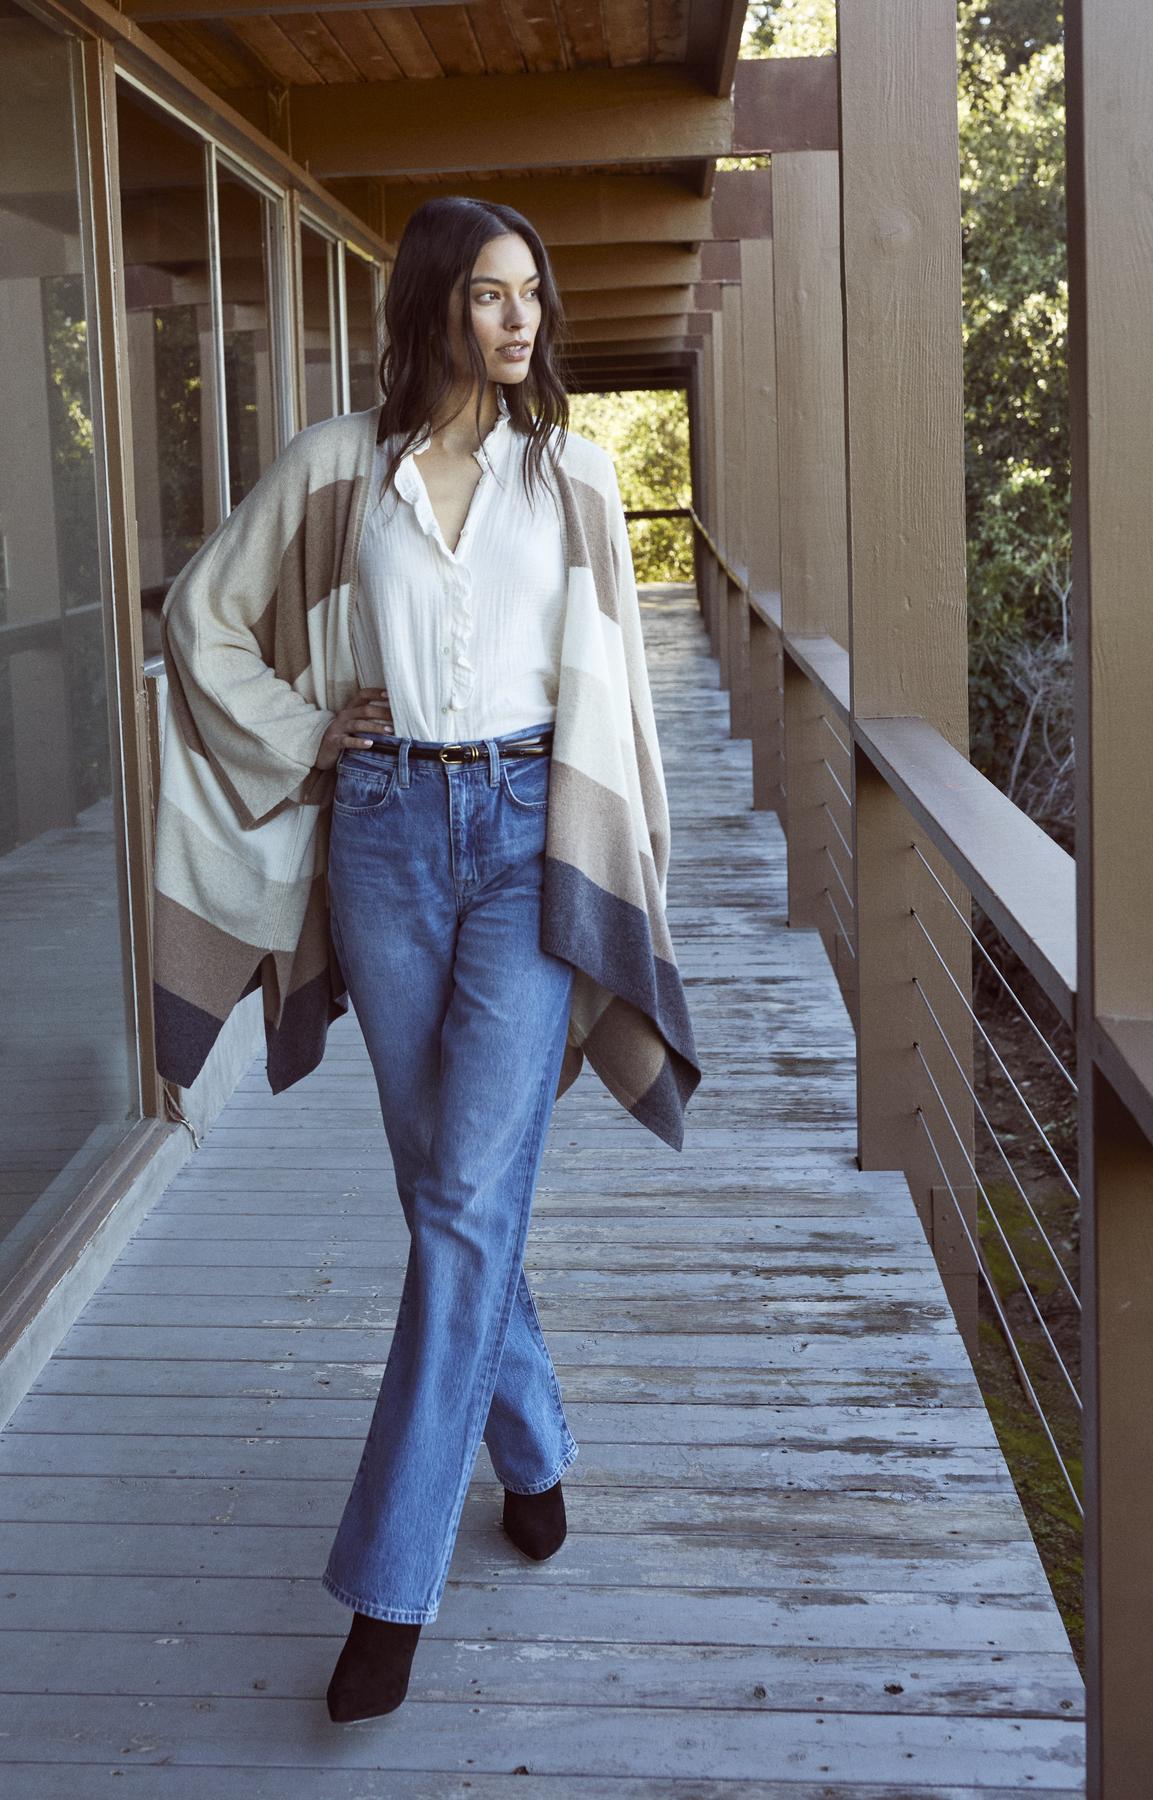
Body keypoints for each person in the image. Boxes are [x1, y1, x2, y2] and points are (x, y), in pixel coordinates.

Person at [149, 195, 700, 1728]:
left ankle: (387, 1592)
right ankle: (528, 1443)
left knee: (464, 1194)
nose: (521, 322)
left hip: (529, 833)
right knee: (440, 1185)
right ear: (433, 310)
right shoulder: (342, 467)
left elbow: (617, 697)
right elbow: (203, 614)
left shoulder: (576, 473)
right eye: (490, 296)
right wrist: (304, 734)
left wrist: (634, 870)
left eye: (534, 296)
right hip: (387, 836)